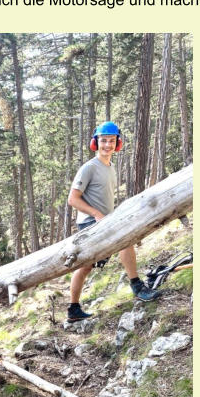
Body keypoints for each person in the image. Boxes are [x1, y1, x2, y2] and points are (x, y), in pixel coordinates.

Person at [66, 121, 159, 322]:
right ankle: (137, 286)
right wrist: (97, 214)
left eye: (111, 141)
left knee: (86, 266)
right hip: (90, 223)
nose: (107, 145)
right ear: (95, 142)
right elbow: (73, 199)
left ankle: (73, 309)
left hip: (104, 221)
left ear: (117, 143)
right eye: (103, 141)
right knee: (123, 241)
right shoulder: (89, 168)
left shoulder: (111, 167)